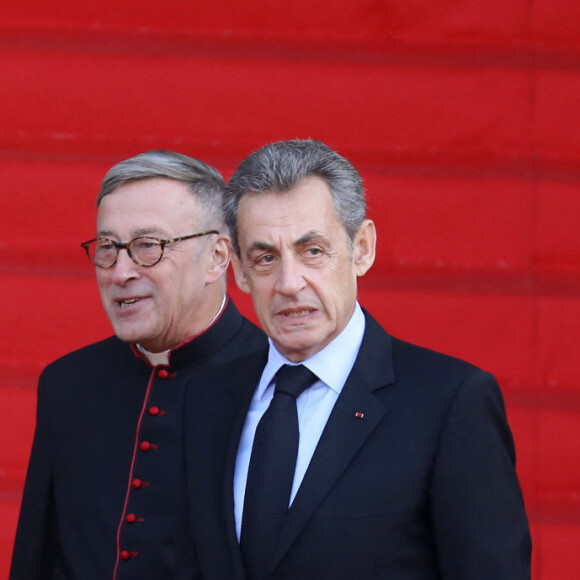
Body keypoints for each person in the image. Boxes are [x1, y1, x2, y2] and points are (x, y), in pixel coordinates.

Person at [184, 139, 532, 579]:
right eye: (266, 257)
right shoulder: (205, 398)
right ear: (239, 270)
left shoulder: (450, 403)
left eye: (313, 251)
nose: (290, 283)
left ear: (362, 248)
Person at [10, 150, 267, 580]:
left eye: (149, 246)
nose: (120, 271)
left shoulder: (273, 379)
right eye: (108, 247)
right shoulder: (67, 383)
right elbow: (39, 550)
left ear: (218, 256)